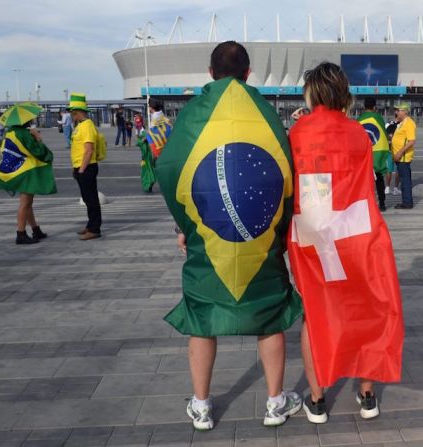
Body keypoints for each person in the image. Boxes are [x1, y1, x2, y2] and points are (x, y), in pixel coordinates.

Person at [155, 41, 303, 431]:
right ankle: (275, 403)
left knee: (203, 316)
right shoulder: (266, 114)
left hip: (209, 237)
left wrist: (186, 225)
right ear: (249, 72)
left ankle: (201, 406)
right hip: (262, 236)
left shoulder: (192, 114)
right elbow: (287, 170)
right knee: (269, 315)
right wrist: (280, 227)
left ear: (210, 72)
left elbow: (170, 168)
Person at [288, 62, 404, 424]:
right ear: (343, 93)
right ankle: (367, 395)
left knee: (315, 311)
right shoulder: (357, 134)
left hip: (311, 235)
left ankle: (318, 399)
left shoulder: (296, 133)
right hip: (356, 233)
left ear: (311, 93)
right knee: (364, 310)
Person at [0, 115, 56, 244]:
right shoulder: (23, 134)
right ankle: (20, 234)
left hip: (16, 171)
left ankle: (35, 229)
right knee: (25, 203)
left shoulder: (10, 133)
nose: (32, 120)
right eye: (31, 118)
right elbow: (39, 152)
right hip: (26, 172)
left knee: (28, 203)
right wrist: (38, 138)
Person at [68, 93, 102, 240]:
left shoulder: (87, 126)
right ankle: (90, 225)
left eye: (72, 113)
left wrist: (81, 170)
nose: (71, 115)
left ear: (77, 112)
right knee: (87, 198)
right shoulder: (81, 126)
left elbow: (88, 150)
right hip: (81, 166)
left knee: (92, 199)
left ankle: (94, 229)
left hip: (87, 167)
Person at [358, 97, 390, 211]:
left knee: (365, 180)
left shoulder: (359, 119)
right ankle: (382, 204)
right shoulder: (378, 118)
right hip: (378, 151)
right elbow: (383, 133)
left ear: (364, 106)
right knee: (379, 178)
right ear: (374, 107)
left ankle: (366, 204)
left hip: (365, 152)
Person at [390, 102, 416, 209]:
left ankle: (407, 203)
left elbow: (411, 141)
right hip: (399, 156)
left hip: (403, 157)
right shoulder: (402, 122)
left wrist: (399, 152)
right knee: (404, 180)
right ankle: (406, 201)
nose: (396, 112)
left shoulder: (409, 123)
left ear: (405, 111)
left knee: (405, 181)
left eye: (398, 110)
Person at [385, 121, 401, 195]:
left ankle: (387, 188)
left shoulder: (388, 129)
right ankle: (395, 188)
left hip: (389, 152)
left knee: (389, 170)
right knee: (398, 170)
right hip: (397, 151)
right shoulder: (399, 129)